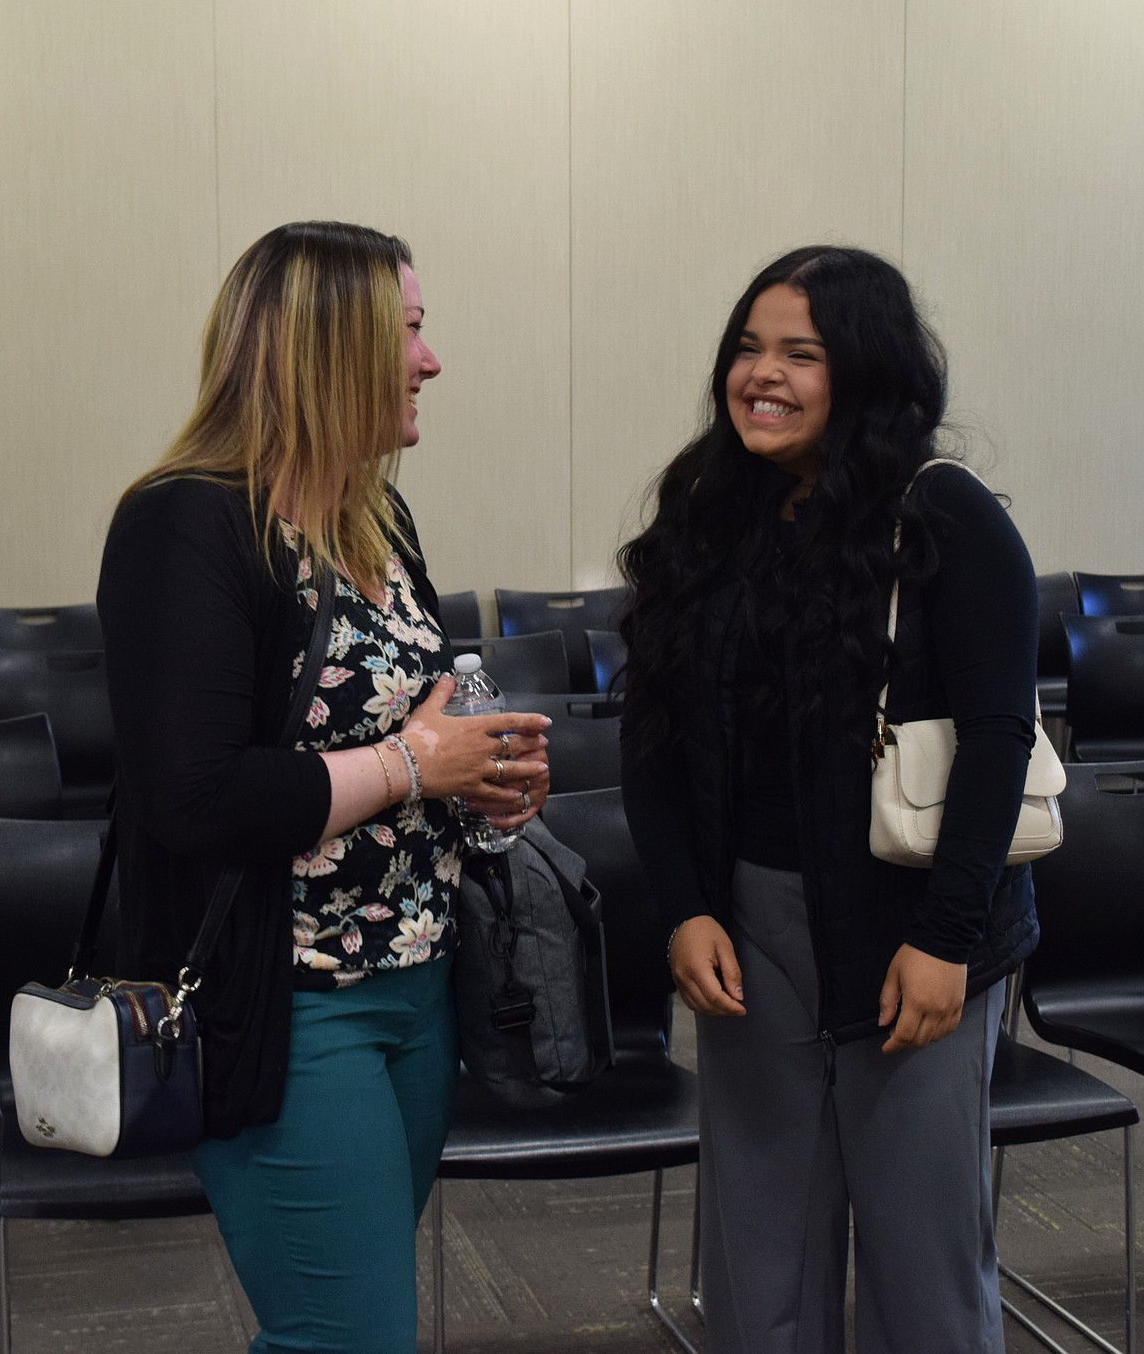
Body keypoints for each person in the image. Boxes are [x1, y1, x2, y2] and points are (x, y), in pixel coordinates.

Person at [97, 221, 551, 1354]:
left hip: (415, 983)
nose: (430, 360)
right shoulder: (187, 521)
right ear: (327, 346)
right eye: (408, 331)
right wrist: (413, 764)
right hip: (288, 1003)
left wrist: (480, 778)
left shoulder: (374, 516)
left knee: (340, 1322)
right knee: (350, 1334)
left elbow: (417, 731)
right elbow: (193, 797)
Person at [618, 246, 1039, 1354]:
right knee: (759, 1261)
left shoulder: (944, 515)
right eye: (748, 349)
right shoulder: (706, 512)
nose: (764, 375)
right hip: (748, 928)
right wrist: (684, 910)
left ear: (864, 370)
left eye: (801, 354)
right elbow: (650, 737)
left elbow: (1000, 738)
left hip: (914, 925)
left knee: (923, 1261)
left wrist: (949, 936)